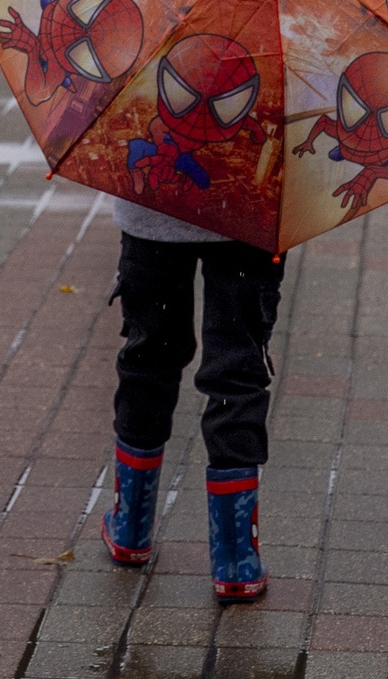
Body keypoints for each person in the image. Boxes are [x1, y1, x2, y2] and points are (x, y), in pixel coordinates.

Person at [98, 196, 277, 604]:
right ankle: (236, 562)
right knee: (237, 373)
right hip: (249, 216)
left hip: (151, 205)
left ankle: (130, 527)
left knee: (149, 358)